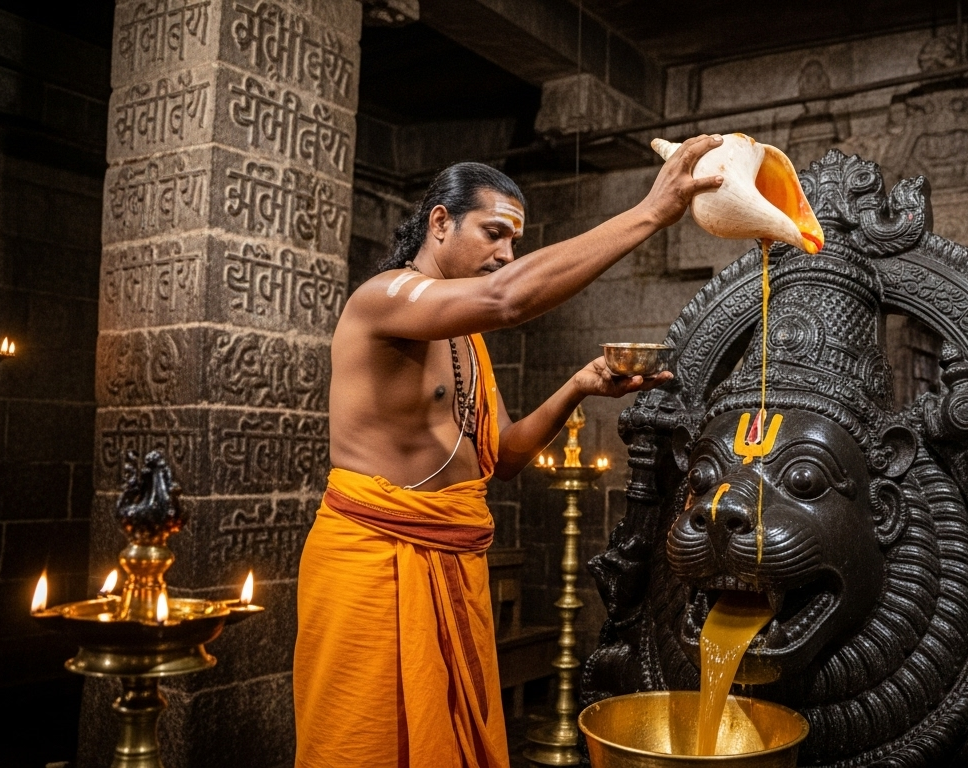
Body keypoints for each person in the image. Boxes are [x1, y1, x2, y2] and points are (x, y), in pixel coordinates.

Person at [293, 135, 725, 768]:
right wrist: (650, 214)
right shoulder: (383, 297)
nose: (505, 254)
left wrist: (579, 386)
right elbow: (509, 298)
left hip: (453, 557)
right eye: (494, 232)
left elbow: (503, 455)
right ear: (439, 222)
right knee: (364, 746)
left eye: (515, 241)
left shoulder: (464, 336)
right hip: (374, 560)